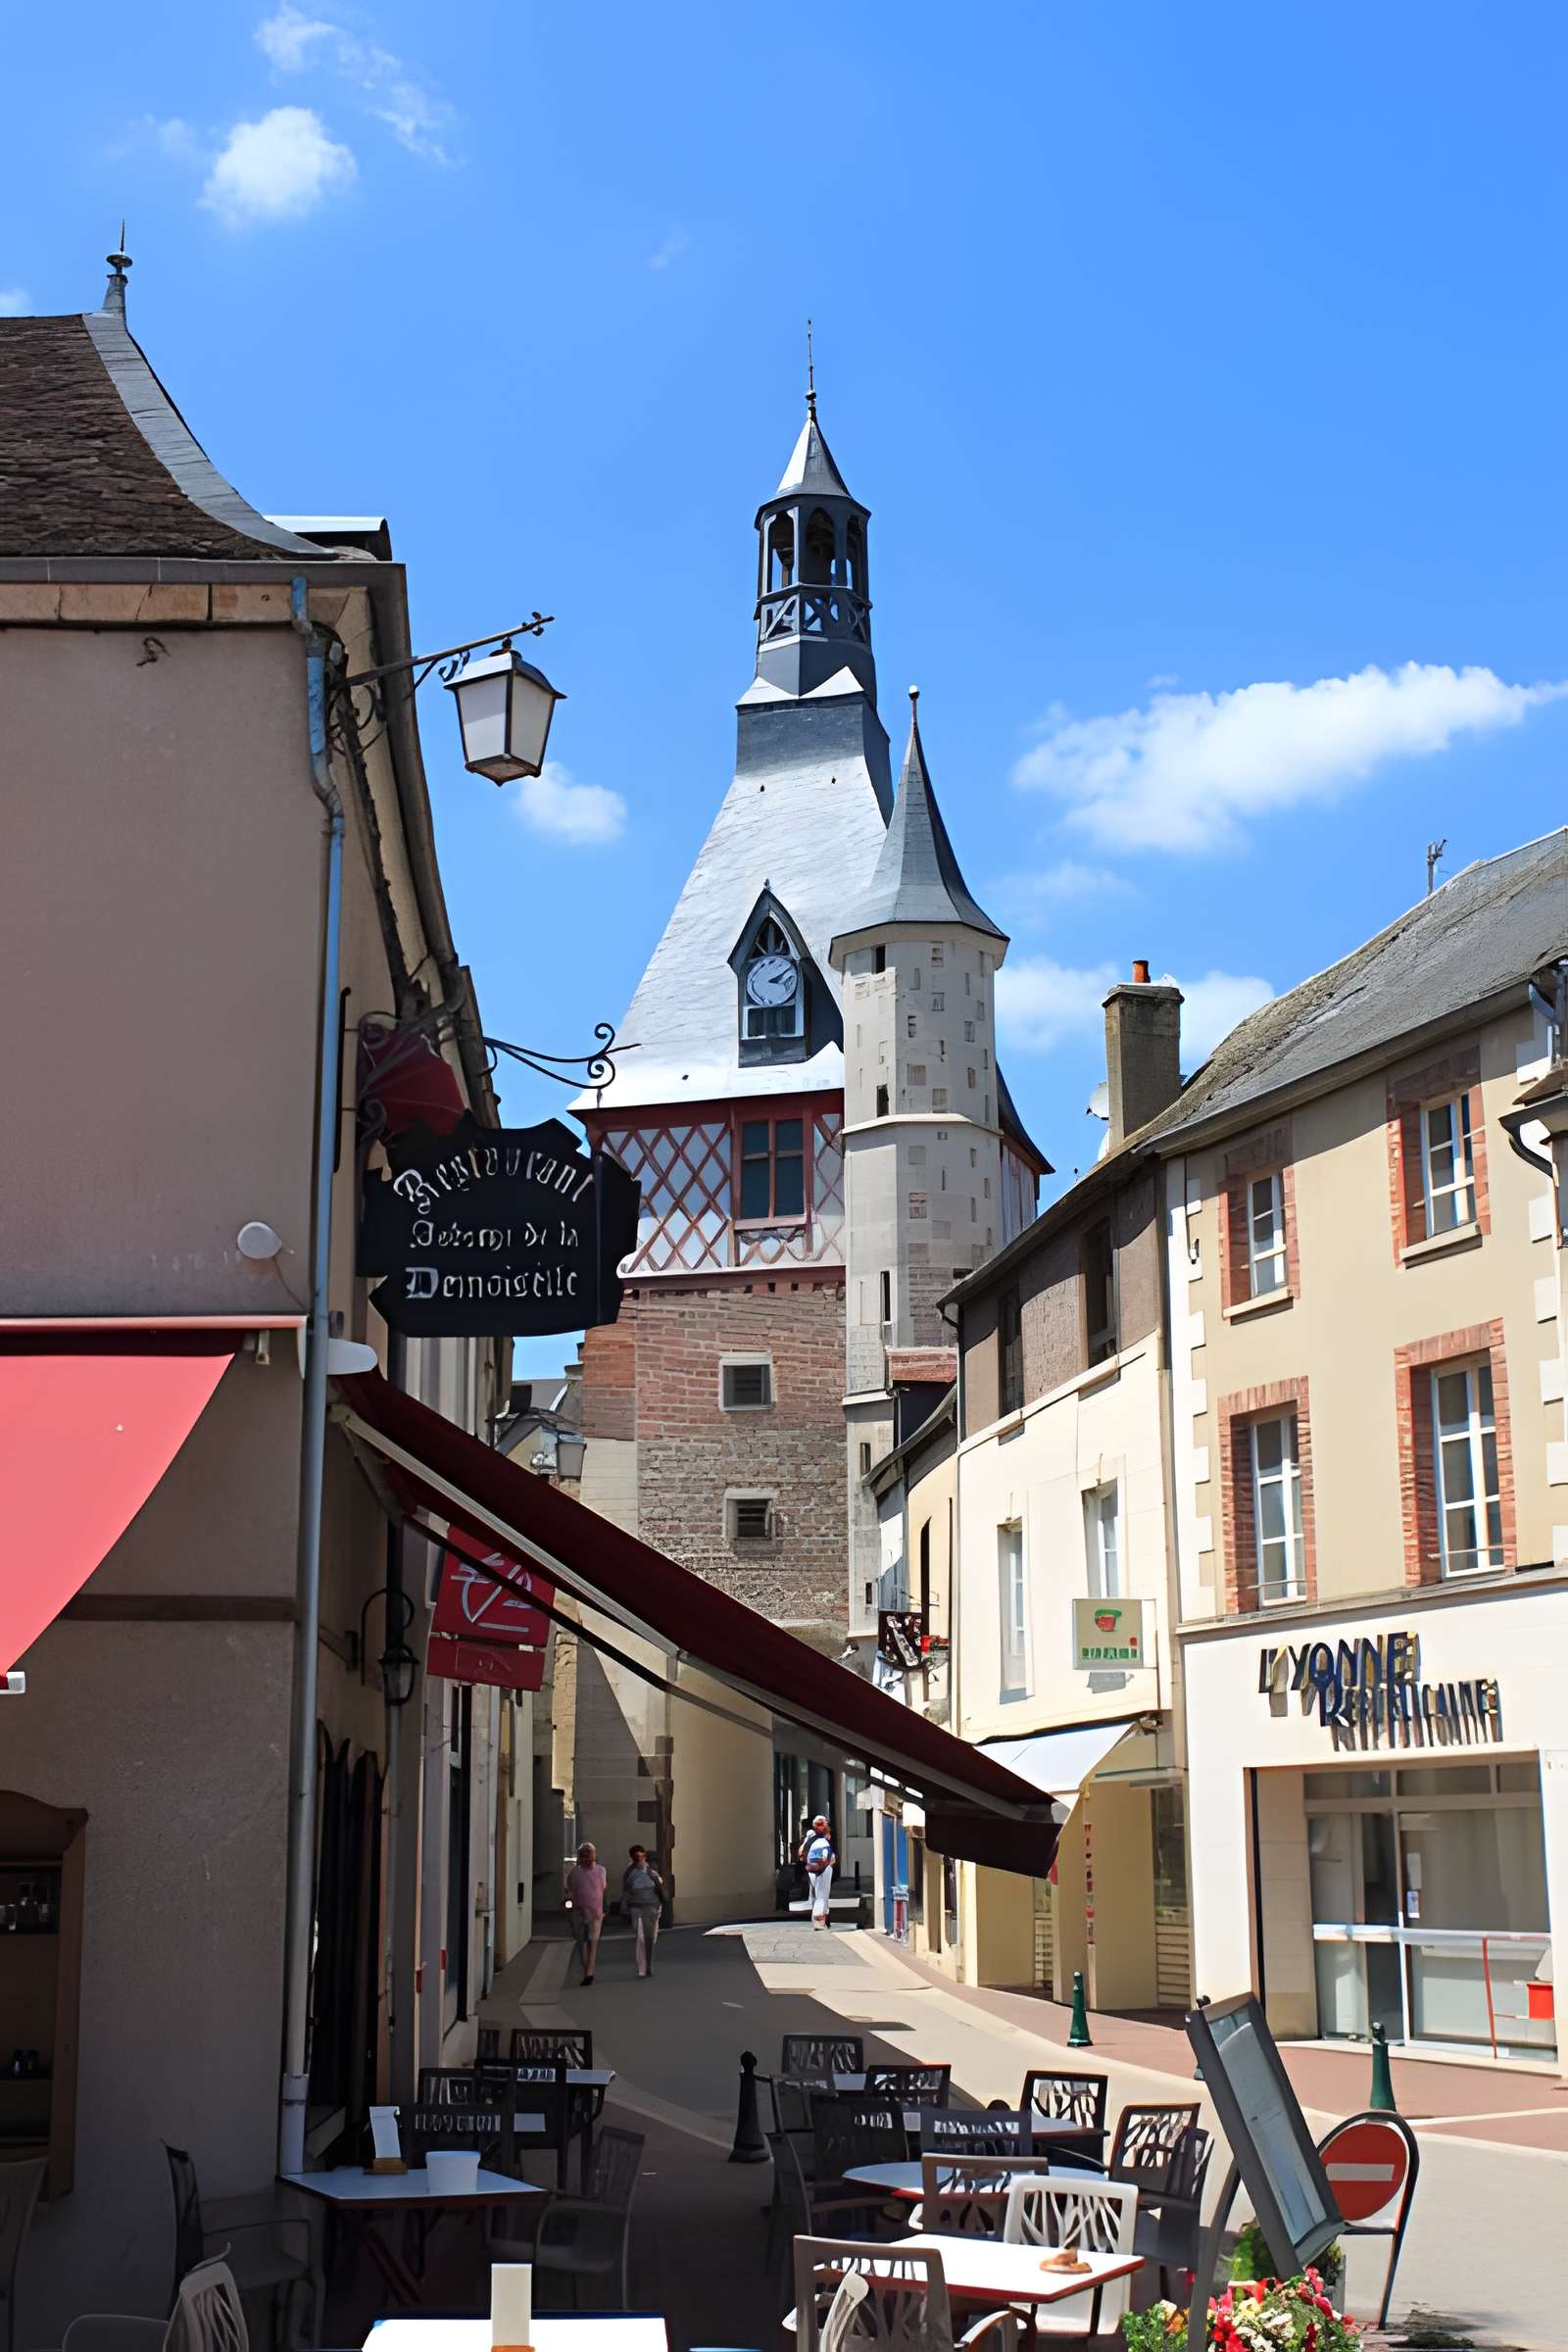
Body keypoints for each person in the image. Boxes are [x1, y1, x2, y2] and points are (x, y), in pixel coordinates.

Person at [564, 1841, 607, 1985]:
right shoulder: (574, 1872)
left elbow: (603, 1889)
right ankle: (586, 1969)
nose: (587, 1856)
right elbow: (569, 1888)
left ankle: (589, 1973)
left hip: (596, 1912)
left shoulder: (601, 1870)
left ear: (594, 1855)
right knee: (581, 1942)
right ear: (579, 1857)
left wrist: (604, 1909)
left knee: (593, 1941)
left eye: (589, 1853)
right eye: (583, 1854)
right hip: (578, 1911)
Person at [622, 1843, 664, 1977]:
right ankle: (643, 1967)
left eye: (641, 1856)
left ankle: (648, 1964)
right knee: (641, 1937)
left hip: (652, 1907)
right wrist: (626, 1905)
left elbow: (659, 1885)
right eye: (636, 1857)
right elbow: (626, 1889)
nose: (639, 1859)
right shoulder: (630, 1872)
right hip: (637, 1907)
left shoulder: (651, 1870)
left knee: (650, 1938)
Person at [802, 1813, 835, 1930]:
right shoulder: (824, 1838)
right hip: (823, 1868)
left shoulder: (811, 1838)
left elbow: (802, 1854)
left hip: (813, 1868)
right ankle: (819, 1920)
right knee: (821, 1894)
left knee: (817, 1894)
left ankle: (823, 1919)